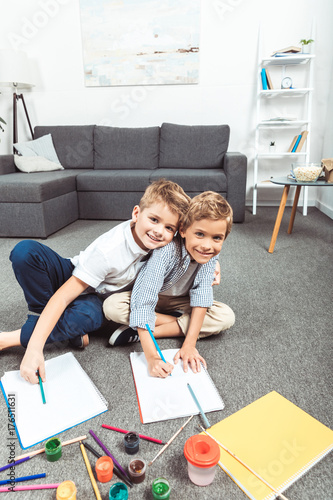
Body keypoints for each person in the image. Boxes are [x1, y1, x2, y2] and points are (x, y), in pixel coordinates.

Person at [0, 179, 190, 384]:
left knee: (90, 315)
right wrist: (34, 348)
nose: (160, 231)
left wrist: (212, 261)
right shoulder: (109, 251)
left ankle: (54, 326)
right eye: (154, 220)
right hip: (74, 274)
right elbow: (63, 297)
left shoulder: (164, 244)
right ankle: (20, 333)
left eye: (169, 228)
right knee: (25, 252)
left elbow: (199, 234)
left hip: (97, 296)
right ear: (136, 214)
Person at [104, 191, 235, 378]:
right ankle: (174, 322)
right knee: (112, 306)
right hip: (154, 298)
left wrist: (189, 345)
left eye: (217, 238)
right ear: (183, 230)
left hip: (182, 301)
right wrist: (151, 357)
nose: (207, 245)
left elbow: (201, 295)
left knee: (226, 316)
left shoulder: (210, 255)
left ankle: (144, 331)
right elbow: (144, 298)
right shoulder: (166, 251)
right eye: (199, 234)